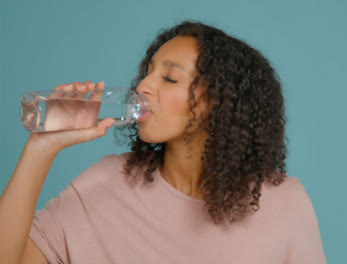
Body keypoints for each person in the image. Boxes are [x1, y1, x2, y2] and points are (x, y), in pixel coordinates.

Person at [0, 21, 326, 263]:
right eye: (148, 71)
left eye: (169, 78)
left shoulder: (285, 204)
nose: (143, 86)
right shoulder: (105, 183)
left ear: (220, 103)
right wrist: (40, 149)